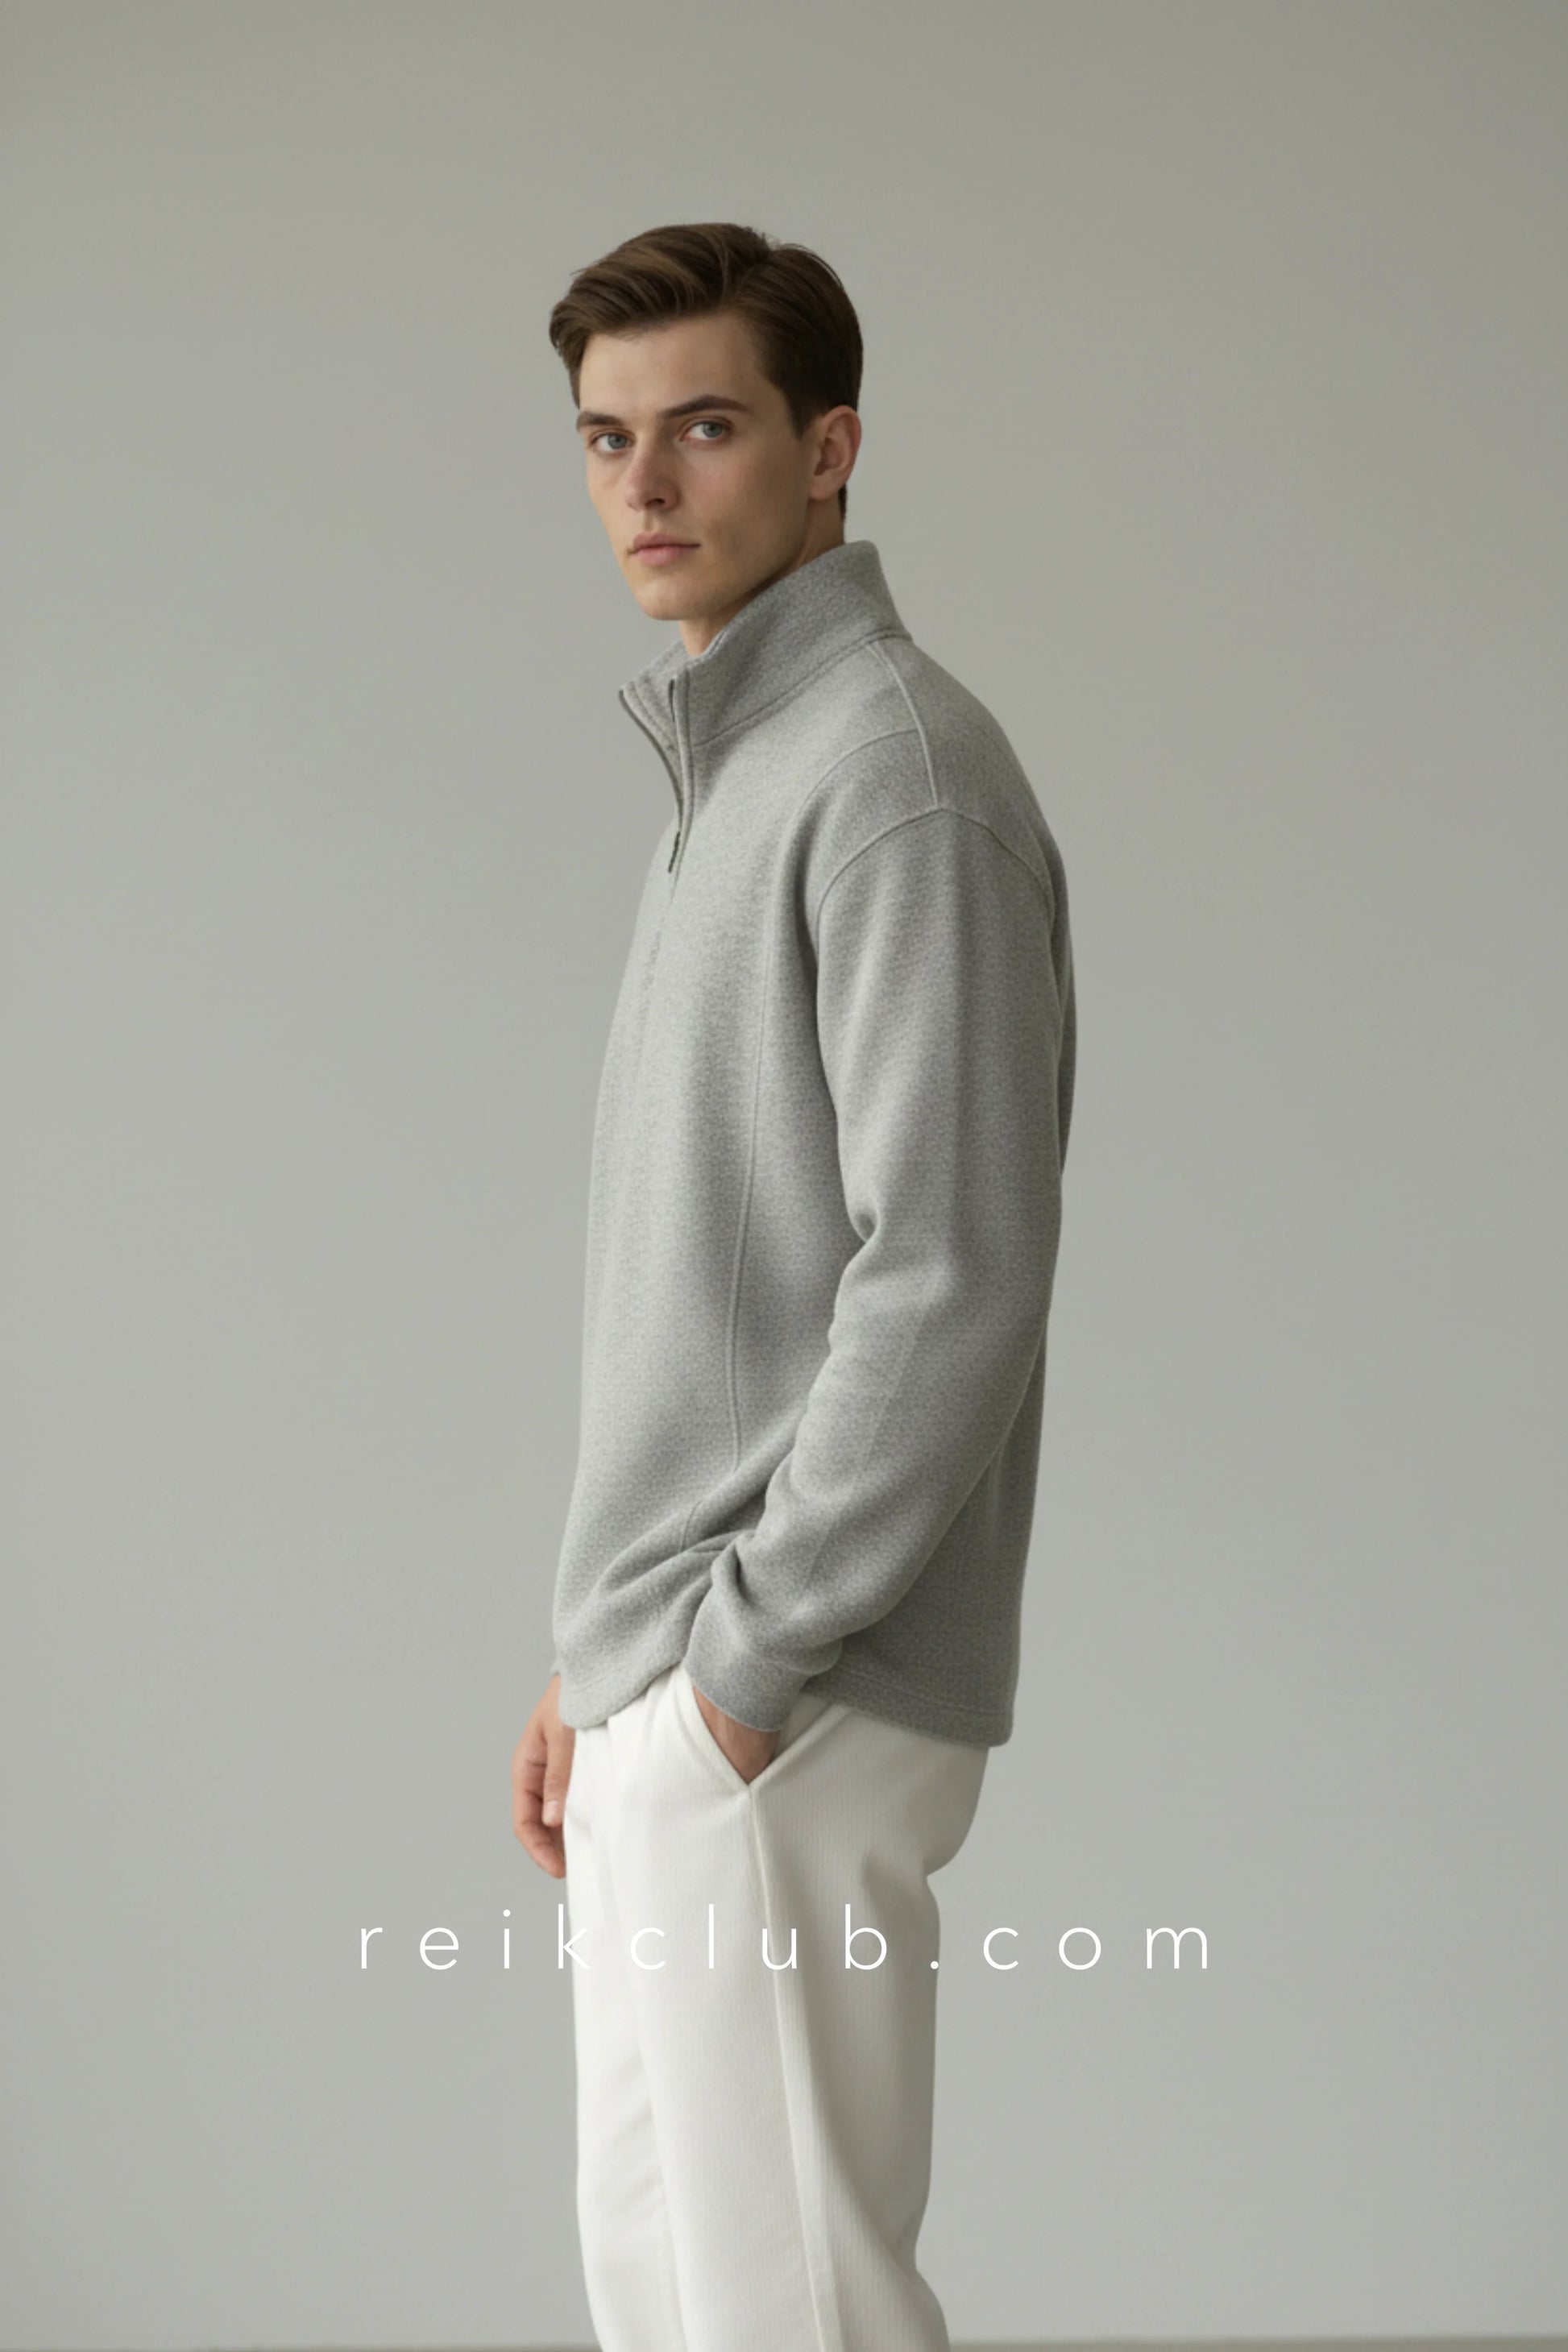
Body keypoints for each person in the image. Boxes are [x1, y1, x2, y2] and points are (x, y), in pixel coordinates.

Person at [511, 220, 1076, 2352]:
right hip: (680, 1674)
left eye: (707, 428)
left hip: (792, 1688)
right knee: (669, 2294)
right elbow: (724, 1285)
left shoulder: (895, 778)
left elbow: (951, 1269)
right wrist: (606, 1653)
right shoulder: (741, 772)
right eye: (606, 440)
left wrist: (739, 1666)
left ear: (829, 450)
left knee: (787, 2314)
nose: (646, 486)